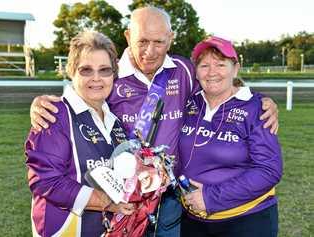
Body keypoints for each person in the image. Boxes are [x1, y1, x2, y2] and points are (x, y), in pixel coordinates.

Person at [29, 6, 279, 237]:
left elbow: (216, 80)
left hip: (172, 198)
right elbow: (82, 95)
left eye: (159, 42)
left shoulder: (183, 70)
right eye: (143, 41)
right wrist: (42, 104)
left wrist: (257, 101)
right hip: (121, 196)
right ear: (128, 37)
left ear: (170, 38)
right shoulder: (109, 73)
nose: (150, 51)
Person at [25, 31, 135, 237]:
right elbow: (45, 180)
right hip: (65, 230)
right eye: (86, 70)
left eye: (104, 70)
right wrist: (107, 202)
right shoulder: (53, 115)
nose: (96, 78)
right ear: (71, 71)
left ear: (114, 74)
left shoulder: (115, 122)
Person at [178, 36, 283, 237]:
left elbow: (269, 170)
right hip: (193, 220)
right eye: (204, 65)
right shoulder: (190, 103)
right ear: (196, 72)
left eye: (220, 64)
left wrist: (210, 198)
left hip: (246, 221)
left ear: (235, 69)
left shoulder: (256, 108)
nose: (212, 72)